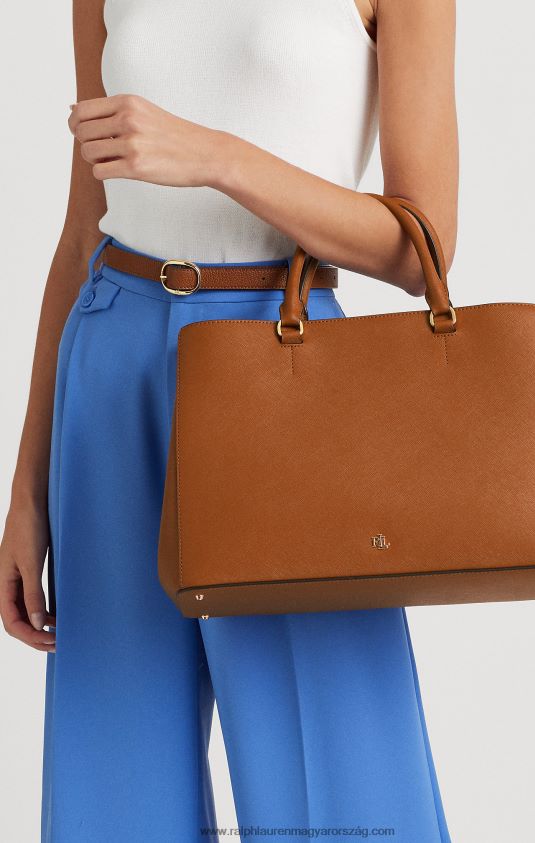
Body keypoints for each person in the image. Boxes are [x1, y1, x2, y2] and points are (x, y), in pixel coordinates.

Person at [0, 1, 459, 840]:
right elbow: (80, 233)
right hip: (112, 358)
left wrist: (216, 157)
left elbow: (420, 243)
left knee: (343, 767)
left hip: (285, 362)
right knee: (115, 774)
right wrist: (26, 492)